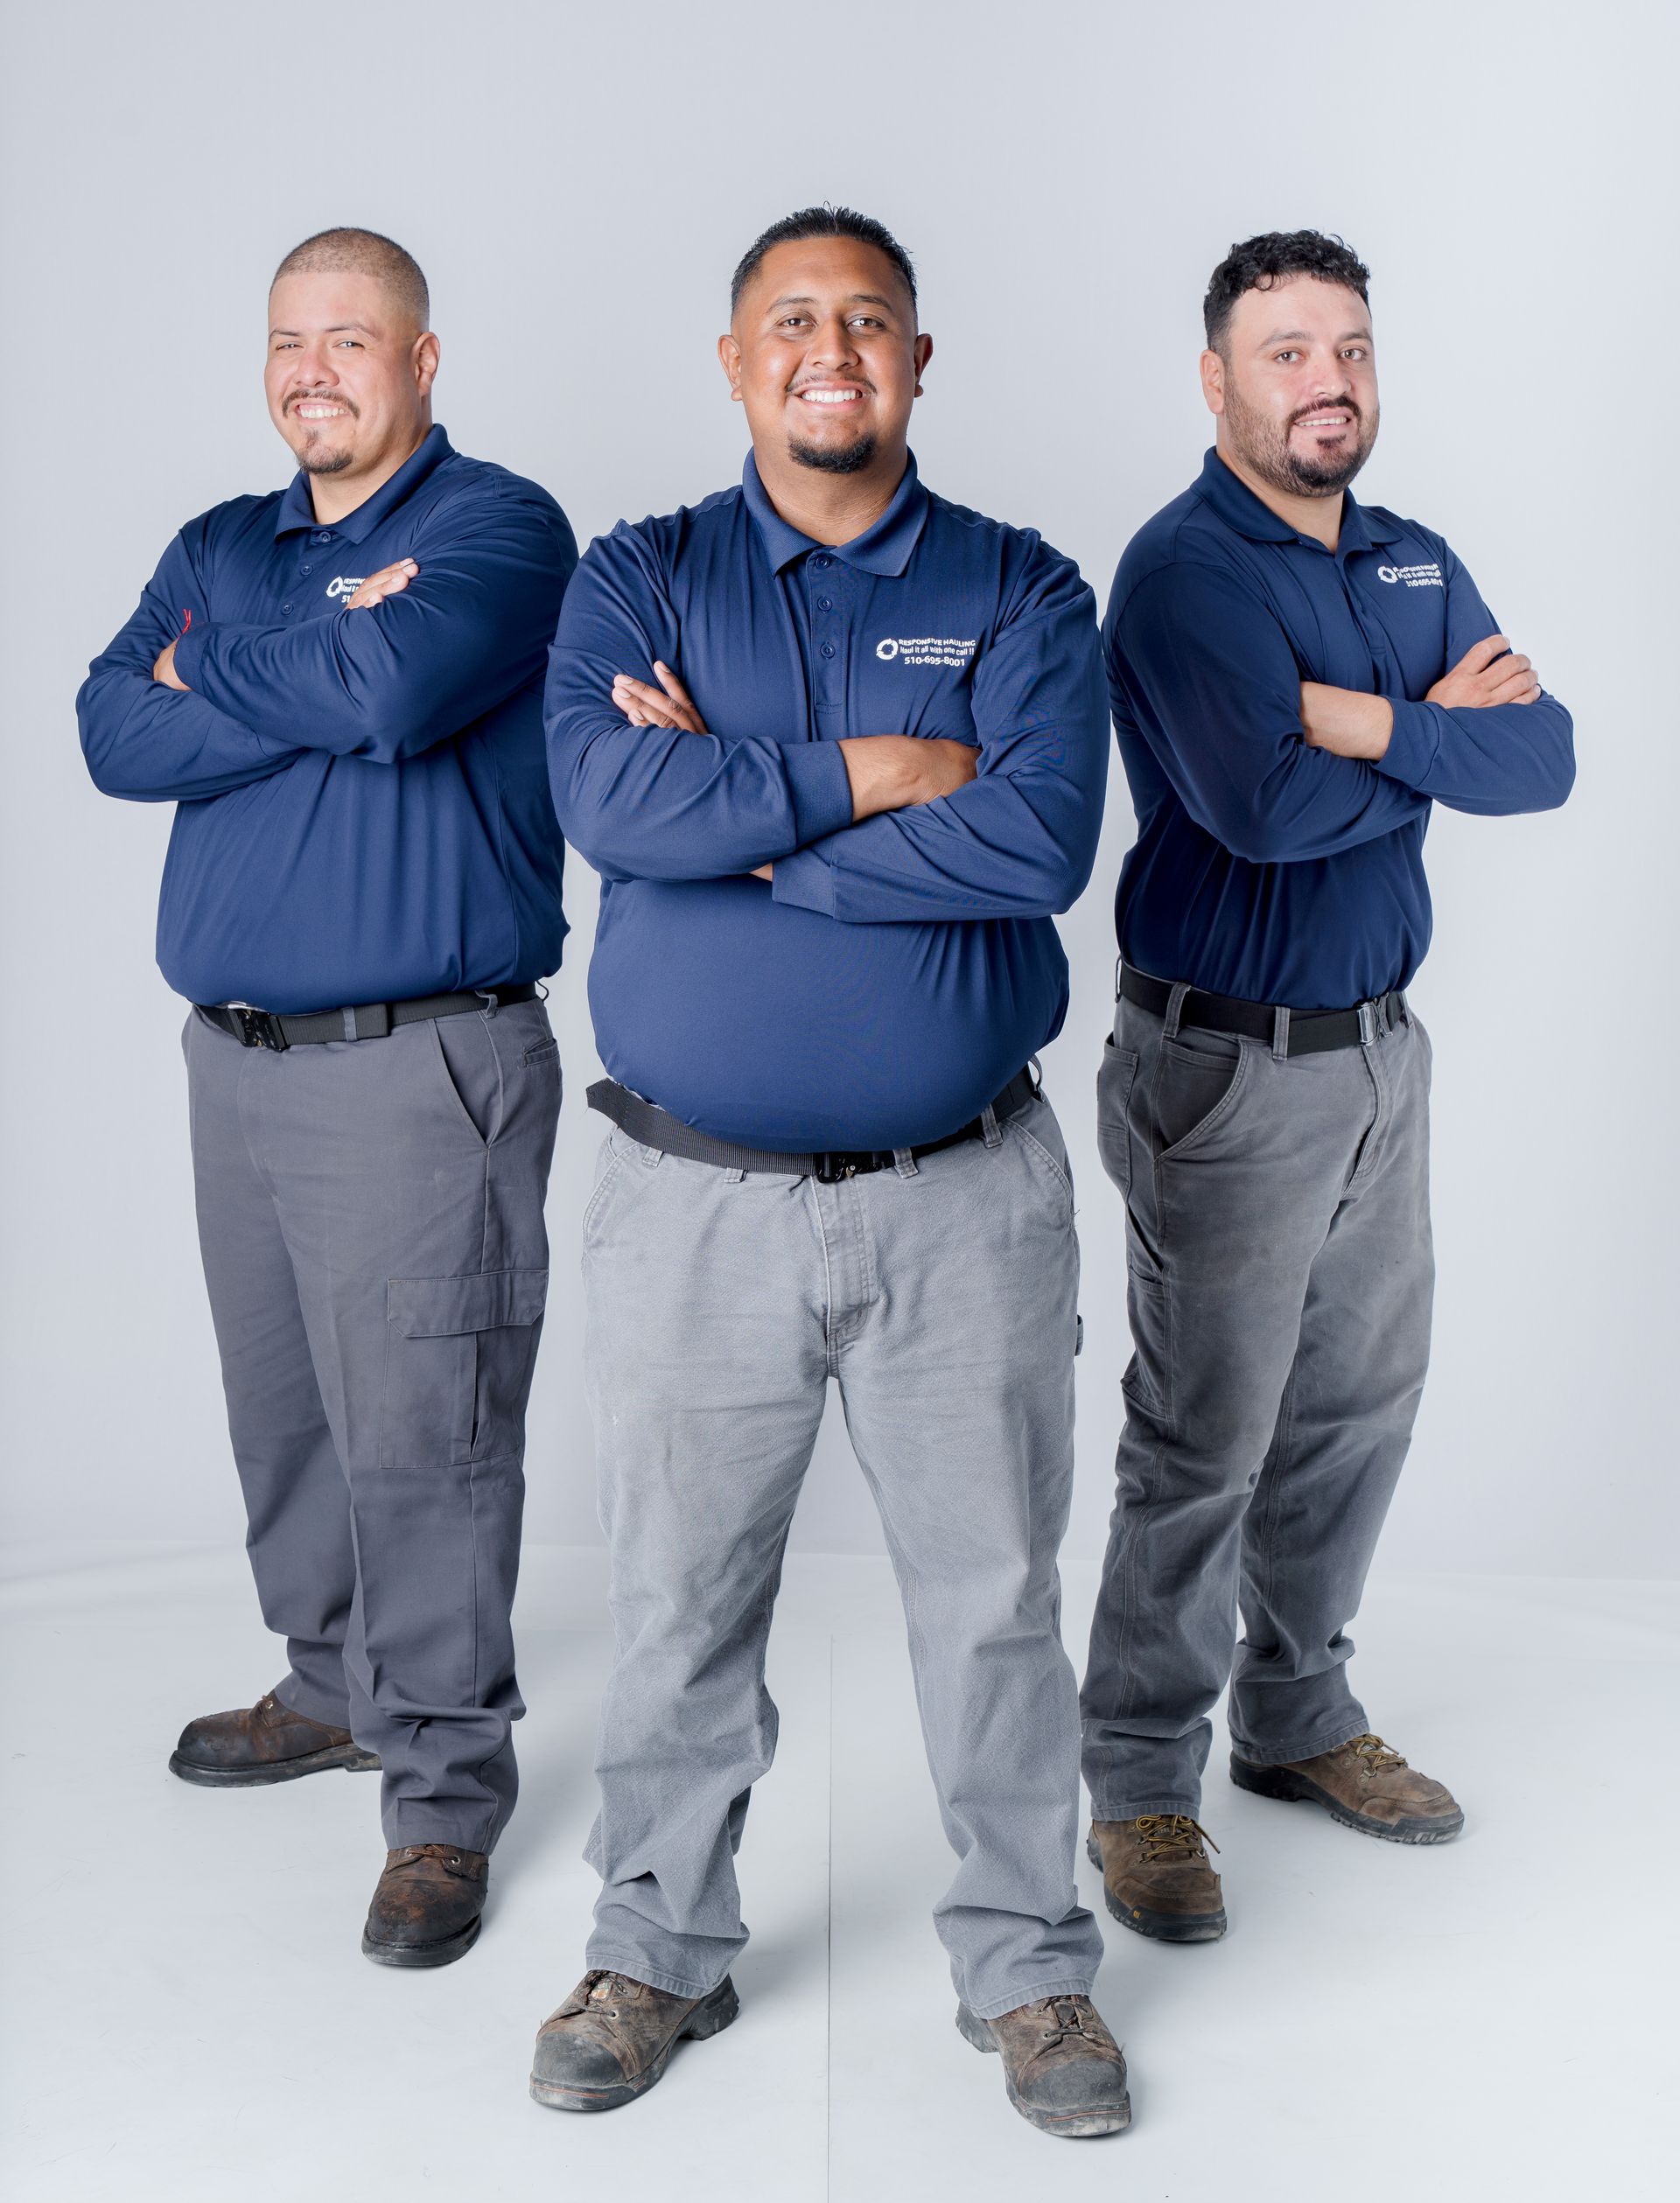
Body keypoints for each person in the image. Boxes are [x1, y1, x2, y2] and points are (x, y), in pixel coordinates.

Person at [535, 206, 1126, 2137]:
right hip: (687, 1203)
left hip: (963, 1196)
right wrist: (886, 769)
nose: (831, 351)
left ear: (920, 361)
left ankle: (1031, 1965)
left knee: (991, 1599)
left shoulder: (1025, 589)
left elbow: (1037, 845)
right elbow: (610, 799)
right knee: (680, 1600)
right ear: (734, 362)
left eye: (868, 321)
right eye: (792, 321)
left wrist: (752, 819)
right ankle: (653, 1944)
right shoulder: (638, 577)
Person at [77, 227, 577, 1969]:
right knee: (285, 1418)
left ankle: (444, 1800)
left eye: (350, 341)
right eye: (289, 340)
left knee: (423, 1441)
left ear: (422, 361)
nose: (314, 371)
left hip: (420, 1063)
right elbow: (102, 731)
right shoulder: (225, 544)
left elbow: (393, 691)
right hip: (240, 1064)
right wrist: (302, 653)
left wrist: (213, 671)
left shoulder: (501, 530)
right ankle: (335, 1683)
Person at [1080, 231, 1575, 1944]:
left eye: (1350, 348)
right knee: (1202, 1435)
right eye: (1287, 353)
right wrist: (1430, 729)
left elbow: (1548, 753)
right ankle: (1141, 1779)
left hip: (1379, 1053)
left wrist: (1363, 724)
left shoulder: (1414, 557)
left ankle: (1291, 1720)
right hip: (1226, 1062)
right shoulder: (1185, 573)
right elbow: (1260, 813)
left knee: (1358, 1406)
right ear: (1217, 381)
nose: (1329, 382)